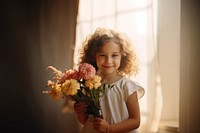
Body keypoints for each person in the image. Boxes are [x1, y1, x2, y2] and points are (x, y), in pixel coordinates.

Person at [74, 27, 145, 133]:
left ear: (123, 57)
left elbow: (135, 121)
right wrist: (80, 113)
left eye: (114, 55)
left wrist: (109, 129)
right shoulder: (90, 86)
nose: (108, 61)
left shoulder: (127, 86)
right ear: (94, 57)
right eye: (102, 55)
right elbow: (86, 121)